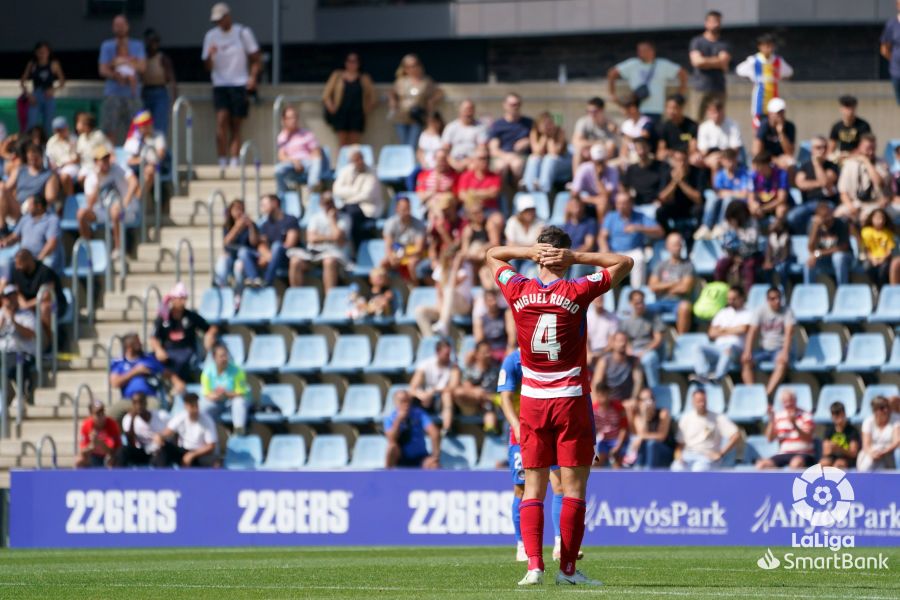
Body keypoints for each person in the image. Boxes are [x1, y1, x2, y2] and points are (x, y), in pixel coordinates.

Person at [486, 226, 633, 586]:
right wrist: (577, 258)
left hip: (533, 403)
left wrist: (529, 251)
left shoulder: (518, 288)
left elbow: (492, 253)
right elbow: (625, 262)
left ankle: (533, 567)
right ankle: (567, 570)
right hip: (570, 400)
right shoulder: (577, 290)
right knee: (573, 489)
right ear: (565, 257)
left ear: (539, 256)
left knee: (533, 487)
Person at [495, 348, 581, 563]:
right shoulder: (513, 361)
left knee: (560, 485)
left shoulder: (548, 354)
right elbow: (505, 397)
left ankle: (560, 544)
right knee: (522, 489)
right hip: (523, 433)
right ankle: (522, 544)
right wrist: (515, 425)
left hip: (548, 428)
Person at [202, 2, 262, 175]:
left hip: (240, 84)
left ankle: (234, 162)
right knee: (221, 121)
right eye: (216, 21)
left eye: (220, 19)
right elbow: (206, 66)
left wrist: (252, 78)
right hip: (220, 84)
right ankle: (221, 161)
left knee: (236, 125)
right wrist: (211, 55)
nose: (218, 23)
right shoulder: (211, 36)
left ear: (228, 16)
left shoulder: (243, 32)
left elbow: (256, 58)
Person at [77, 146, 139, 257]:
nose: (105, 162)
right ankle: (88, 249)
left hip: (124, 209)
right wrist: (97, 183)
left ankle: (118, 248)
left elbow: (134, 182)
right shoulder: (91, 178)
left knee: (115, 210)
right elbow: (90, 205)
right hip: (101, 211)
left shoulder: (120, 168)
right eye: (102, 159)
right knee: (81, 214)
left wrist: (126, 201)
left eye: (106, 158)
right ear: (96, 162)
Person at [151, 282, 217, 383]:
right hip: (168, 351)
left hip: (186, 350)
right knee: (149, 360)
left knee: (181, 362)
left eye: (184, 298)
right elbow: (154, 337)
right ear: (173, 300)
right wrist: (158, 349)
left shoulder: (191, 316)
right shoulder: (163, 317)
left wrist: (210, 334)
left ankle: (177, 383)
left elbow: (210, 327)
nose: (183, 301)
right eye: (180, 298)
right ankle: (174, 382)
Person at [608, 41, 687, 124]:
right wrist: (612, 93)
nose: (640, 53)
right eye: (639, 51)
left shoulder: (662, 64)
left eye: (644, 51)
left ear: (652, 51)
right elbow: (612, 73)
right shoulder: (633, 64)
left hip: (656, 108)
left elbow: (682, 73)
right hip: (636, 108)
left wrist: (680, 93)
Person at [287, 192, 350, 292]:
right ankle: (296, 297)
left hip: (335, 255)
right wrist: (331, 237)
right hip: (314, 254)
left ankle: (329, 299)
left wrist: (332, 220)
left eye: (330, 203)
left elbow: (338, 237)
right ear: (321, 204)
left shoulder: (344, 218)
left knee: (328, 261)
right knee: (295, 261)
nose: (328, 206)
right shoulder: (315, 217)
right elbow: (311, 238)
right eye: (325, 203)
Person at [600, 191, 663, 288]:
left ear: (631, 204)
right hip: (614, 252)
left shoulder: (640, 217)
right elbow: (602, 236)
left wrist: (639, 227)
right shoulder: (611, 216)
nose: (621, 206)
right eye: (618, 203)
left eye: (624, 203)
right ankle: (601, 299)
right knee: (600, 262)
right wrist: (605, 248)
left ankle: (637, 293)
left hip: (634, 251)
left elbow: (660, 232)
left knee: (639, 259)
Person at [98, 15, 145, 144]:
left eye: (122, 25)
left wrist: (126, 63)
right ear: (113, 28)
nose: (119, 28)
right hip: (113, 94)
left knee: (136, 128)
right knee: (109, 128)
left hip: (132, 95)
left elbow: (142, 67)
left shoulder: (137, 45)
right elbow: (103, 69)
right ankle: (109, 158)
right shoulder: (107, 46)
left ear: (127, 26)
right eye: (116, 25)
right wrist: (115, 75)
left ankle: (133, 158)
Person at [6, 249, 67, 346]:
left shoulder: (45, 272)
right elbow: (16, 292)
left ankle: (50, 344)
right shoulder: (16, 271)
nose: (17, 267)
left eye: (20, 264)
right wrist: (23, 304)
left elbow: (47, 296)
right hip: (28, 305)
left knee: (45, 308)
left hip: (55, 304)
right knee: (7, 304)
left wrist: (27, 305)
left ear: (28, 261)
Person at [741, 287, 794, 397]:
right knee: (746, 361)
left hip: (779, 348)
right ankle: (752, 394)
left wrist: (785, 352)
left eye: (779, 298)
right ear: (768, 300)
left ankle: (767, 395)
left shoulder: (787, 311)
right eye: (773, 298)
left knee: (782, 363)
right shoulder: (760, 311)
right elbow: (752, 332)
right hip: (764, 349)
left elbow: (789, 333)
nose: (777, 301)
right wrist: (747, 351)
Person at [692, 285, 751, 384]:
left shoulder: (749, 313)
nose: (730, 301)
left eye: (734, 299)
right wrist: (733, 330)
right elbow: (711, 333)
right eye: (729, 299)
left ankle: (717, 377)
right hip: (718, 348)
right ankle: (703, 375)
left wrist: (721, 330)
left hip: (736, 350)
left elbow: (743, 329)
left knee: (728, 349)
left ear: (742, 298)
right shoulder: (722, 312)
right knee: (697, 347)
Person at [671, 388, 740, 471]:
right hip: (688, 455)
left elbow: (736, 435)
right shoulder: (686, 418)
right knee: (676, 469)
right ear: (692, 402)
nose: (702, 404)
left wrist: (721, 453)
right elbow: (680, 444)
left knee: (698, 471)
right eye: (699, 401)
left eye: (704, 400)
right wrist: (678, 456)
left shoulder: (718, 418)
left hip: (707, 457)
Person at [109, 332, 177, 416]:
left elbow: (167, 373)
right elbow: (115, 383)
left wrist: (177, 382)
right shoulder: (119, 362)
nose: (141, 344)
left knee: (155, 411)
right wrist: (135, 371)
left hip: (148, 398)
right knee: (111, 415)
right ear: (129, 347)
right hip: (128, 399)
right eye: (137, 343)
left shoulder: (149, 359)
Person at [735, 33, 794, 126]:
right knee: (759, 126)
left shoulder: (778, 61)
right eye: (766, 46)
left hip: (774, 98)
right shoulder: (754, 61)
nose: (768, 49)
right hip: (759, 100)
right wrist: (751, 77)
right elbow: (739, 70)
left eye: (770, 46)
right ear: (760, 47)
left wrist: (779, 77)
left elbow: (789, 72)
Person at [415, 246, 473, 338]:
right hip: (445, 308)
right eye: (451, 258)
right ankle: (431, 340)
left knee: (449, 290)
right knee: (420, 311)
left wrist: (456, 266)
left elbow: (453, 284)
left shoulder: (466, 268)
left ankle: (443, 323)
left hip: (462, 306)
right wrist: (440, 306)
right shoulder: (441, 268)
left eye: (454, 258)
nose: (452, 260)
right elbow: (439, 291)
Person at [322, 52, 377, 148]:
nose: (352, 64)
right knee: (342, 143)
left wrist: (366, 109)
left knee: (355, 144)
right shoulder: (337, 75)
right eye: (349, 61)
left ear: (359, 63)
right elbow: (326, 95)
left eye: (354, 61)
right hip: (341, 113)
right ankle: (343, 162)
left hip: (357, 114)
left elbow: (373, 97)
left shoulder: (364, 78)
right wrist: (331, 107)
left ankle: (354, 162)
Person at [835, 133, 890, 225]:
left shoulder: (881, 163)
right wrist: (850, 207)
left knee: (868, 217)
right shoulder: (849, 164)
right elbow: (843, 192)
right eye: (868, 149)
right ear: (860, 147)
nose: (871, 152)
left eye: (873, 149)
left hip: (875, 203)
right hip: (855, 203)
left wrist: (867, 162)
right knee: (837, 216)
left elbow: (879, 183)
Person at [696, 147, 751, 239]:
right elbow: (718, 192)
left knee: (728, 199)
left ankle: (721, 225)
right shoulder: (720, 174)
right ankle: (706, 226)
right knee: (712, 197)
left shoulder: (743, 173)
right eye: (727, 160)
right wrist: (733, 193)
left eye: (732, 160)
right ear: (722, 161)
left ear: (735, 160)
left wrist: (729, 193)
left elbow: (744, 194)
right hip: (723, 202)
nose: (730, 163)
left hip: (738, 205)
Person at [789, 136, 839, 235]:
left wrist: (817, 164)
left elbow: (825, 182)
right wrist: (820, 183)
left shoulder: (832, 166)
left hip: (827, 203)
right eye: (818, 147)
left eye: (824, 147)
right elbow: (800, 184)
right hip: (808, 203)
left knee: (824, 217)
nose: (822, 150)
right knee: (792, 217)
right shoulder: (804, 166)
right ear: (812, 149)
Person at [0, 193, 62, 274]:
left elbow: (52, 243)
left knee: (45, 266)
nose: (27, 207)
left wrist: (38, 259)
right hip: (23, 257)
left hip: (43, 257)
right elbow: (15, 236)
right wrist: (5, 242)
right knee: (5, 261)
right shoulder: (25, 218)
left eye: (30, 205)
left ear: (39, 206)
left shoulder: (52, 220)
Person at [389, 54, 442, 148]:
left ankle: (411, 161)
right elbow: (392, 93)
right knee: (403, 145)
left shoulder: (426, 81)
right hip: (401, 117)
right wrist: (393, 105)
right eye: (408, 66)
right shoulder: (401, 81)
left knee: (412, 145)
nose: (412, 68)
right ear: (405, 68)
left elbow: (439, 92)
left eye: (415, 65)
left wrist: (431, 101)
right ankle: (406, 162)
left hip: (417, 118)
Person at [2, 142, 60, 227]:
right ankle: (2, 227)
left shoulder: (49, 175)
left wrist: (34, 201)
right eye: (30, 156)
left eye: (35, 155)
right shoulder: (20, 170)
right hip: (17, 206)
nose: (32, 158)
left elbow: (50, 198)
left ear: (41, 156)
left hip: (34, 208)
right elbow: (6, 188)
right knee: (1, 188)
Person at [152, 393, 218, 468]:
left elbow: (211, 446)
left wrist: (192, 454)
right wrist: (159, 436)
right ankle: (160, 475)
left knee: (212, 461)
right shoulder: (180, 417)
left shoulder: (207, 421)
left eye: (196, 406)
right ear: (186, 406)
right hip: (184, 451)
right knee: (164, 448)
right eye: (192, 406)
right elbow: (167, 432)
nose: (195, 409)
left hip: (200, 453)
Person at [333, 148, 384, 243]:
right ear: (351, 161)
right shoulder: (345, 171)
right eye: (356, 159)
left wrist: (347, 198)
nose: (360, 162)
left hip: (368, 210)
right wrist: (356, 191)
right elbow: (336, 190)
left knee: (351, 213)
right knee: (336, 214)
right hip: (349, 207)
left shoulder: (372, 172)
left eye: (361, 158)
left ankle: (355, 247)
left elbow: (367, 195)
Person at [646, 232, 694, 334]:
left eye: (679, 244)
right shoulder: (660, 265)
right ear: (668, 247)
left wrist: (662, 287)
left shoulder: (688, 265)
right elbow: (652, 287)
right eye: (674, 244)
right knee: (641, 308)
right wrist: (674, 283)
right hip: (661, 302)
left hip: (678, 302)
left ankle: (682, 340)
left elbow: (685, 288)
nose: (678, 247)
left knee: (684, 307)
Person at [757, 389, 816, 469]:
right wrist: (771, 420)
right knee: (762, 465)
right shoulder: (779, 416)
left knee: (795, 464)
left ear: (795, 400)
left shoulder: (806, 415)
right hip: (784, 453)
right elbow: (769, 439)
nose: (788, 404)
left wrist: (794, 424)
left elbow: (807, 438)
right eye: (785, 401)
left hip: (803, 453)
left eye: (790, 400)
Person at [688, 10, 731, 119]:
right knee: (696, 121)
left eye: (718, 22)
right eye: (713, 21)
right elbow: (696, 62)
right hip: (700, 88)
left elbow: (724, 62)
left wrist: (705, 61)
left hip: (719, 88)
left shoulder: (724, 43)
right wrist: (717, 61)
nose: (716, 24)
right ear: (706, 23)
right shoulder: (697, 42)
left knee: (719, 120)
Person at [201, 341, 250, 435]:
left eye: (225, 355)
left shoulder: (237, 371)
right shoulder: (207, 372)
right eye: (221, 356)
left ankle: (239, 430)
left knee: (239, 402)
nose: (224, 358)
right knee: (203, 407)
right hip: (217, 402)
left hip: (232, 402)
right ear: (214, 358)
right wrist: (214, 396)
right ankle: (204, 433)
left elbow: (241, 393)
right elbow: (206, 393)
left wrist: (225, 394)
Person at [274, 106, 325, 196]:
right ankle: (284, 196)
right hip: (291, 165)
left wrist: (305, 161)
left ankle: (313, 188)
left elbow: (316, 152)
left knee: (316, 161)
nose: (293, 120)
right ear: (284, 120)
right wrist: (294, 162)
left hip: (307, 163)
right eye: (289, 118)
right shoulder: (282, 137)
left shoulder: (307, 134)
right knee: (278, 170)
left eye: (295, 117)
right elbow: (281, 156)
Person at [488, 93, 533, 195]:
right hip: (502, 156)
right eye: (512, 104)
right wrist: (508, 157)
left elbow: (537, 140)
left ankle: (519, 195)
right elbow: (493, 149)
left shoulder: (528, 123)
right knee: (501, 166)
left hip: (522, 157)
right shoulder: (498, 125)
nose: (515, 107)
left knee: (517, 164)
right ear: (505, 105)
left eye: (517, 104)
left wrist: (528, 141)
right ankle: (503, 197)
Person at [619, 289, 664, 389]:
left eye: (641, 302)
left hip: (649, 351)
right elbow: (625, 339)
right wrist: (629, 350)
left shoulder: (653, 317)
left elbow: (658, 339)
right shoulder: (626, 321)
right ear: (630, 303)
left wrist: (644, 351)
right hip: (633, 352)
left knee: (649, 359)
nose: (640, 305)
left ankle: (654, 390)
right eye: (636, 303)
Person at [713, 201, 762, 293]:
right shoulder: (727, 224)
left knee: (749, 267)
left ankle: (748, 295)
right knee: (720, 265)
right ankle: (721, 292)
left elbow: (752, 242)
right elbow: (724, 243)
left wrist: (737, 231)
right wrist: (734, 257)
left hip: (750, 255)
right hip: (732, 256)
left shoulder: (752, 222)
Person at [384, 389, 440, 469]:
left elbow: (434, 433)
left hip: (420, 456)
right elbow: (391, 439)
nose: (406, 404)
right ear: (396, 403)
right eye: (402, 401)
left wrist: (435, 456)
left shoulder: (419, 414)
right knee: (391, 447)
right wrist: (398, 420)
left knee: (434, 466)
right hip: (401, 457)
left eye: (408, 401)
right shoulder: (390, 418)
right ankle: (387, 477)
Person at [0, 284, 37, 402]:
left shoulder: (27, 314)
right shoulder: (0, 314)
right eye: (6, 297)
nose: (9, 300)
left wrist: (14, 321)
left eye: (12, 296)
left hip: (21, 352)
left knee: (14, 363)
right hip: (3, 352)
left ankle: (20, 392)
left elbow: (30, 334)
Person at [255, 194, 301, 287]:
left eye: (264, 205)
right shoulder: (265, 225)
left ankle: (267, 282)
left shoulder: (290, 220)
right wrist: (268, 256)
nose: (262, 208)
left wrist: (270, 256)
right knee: (245, 253)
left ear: (274, 203)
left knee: (277, 246)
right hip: (271, 258)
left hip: (287, 257)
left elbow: (290, 244)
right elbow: (261, 245)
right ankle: (255, 281)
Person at [624, 387, 675, 469]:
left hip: (665, 452)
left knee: (651, 444)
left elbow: (662, 436)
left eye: (650, 398)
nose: (648, 402)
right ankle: (638, 470)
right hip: (647, 453)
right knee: (643, 444)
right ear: (639, 402)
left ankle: (649, 474)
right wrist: (644, 415)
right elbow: (641, 434)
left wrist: (641, 437)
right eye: (644, 400)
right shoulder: (638, 417)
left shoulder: (663, 413)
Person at [123, 110, 166, 205]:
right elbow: (129, 160)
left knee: (149, 171)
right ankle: (129, 202)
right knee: (127, 176)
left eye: (145, 125)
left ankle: (137, 200)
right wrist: (140, 161)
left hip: (154, 166)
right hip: (137, 167)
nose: (143, 128)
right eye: (141, 126)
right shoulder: (135, 138)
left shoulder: (158, 136)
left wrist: (148, 162)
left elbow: (160, 155)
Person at [657, 149, 704, 237]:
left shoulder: (697, 173)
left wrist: (681, 182)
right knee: (660, 211)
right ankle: (669, 235)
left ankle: (697, 235)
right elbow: (662, 198)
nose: (681, 164)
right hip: (675, 207)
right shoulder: (667, 173)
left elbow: (699, 199)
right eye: (678, 160)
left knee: (699, 209)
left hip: (691, 207)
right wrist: (674, 182)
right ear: (673, 161)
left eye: (684, 160)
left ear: (688, 159)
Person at [20, 42, 65, 132]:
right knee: (31, 122)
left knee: (48, 123)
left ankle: (46, 143)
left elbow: (62, 81)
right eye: (40, 52)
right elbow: (22, 81)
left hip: (48, 96)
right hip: (35, 95)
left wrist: (53, 90)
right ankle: (30, 143)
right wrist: (28, 95)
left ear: (49, 52)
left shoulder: (54, 64)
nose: (42, 54)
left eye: (45, 52)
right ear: (36, 53)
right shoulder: (32, 64)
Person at [214, 199, 258, 290]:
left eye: (240, 209)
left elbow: (254, 242)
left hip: (244, 257)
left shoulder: (251, 225)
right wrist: (237, 227)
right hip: (231, 255)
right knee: (222, 260)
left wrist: (250, 227)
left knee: (238, 267)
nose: (238, 212)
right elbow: (226, 242)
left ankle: (239, 292)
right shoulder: (227, 226)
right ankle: (220, 285)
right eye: (235, 210)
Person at [804, 202, 852, 285]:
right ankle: (809, 291)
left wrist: (819, 253)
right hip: (824, 259)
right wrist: (815, 228)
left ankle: (842, 288)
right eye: (824, 216)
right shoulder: (813, 226)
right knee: (808, 262)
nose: (828, 218)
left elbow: (843, 247)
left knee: (838, 257)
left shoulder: (841, 223)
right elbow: (810, 248)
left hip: (844, 257)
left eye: (829, 214)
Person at [382, 196, 426, 282]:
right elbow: (388, 245)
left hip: (412, 253)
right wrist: (391, 257)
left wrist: (404, 254)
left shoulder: (419, 224)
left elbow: (419, 248)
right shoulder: (390, 223)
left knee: (412, 263)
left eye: (407, 208)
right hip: (398, 252)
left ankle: (415, 288)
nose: (405, 211)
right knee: (384, 264)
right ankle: (386, 290)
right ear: (397, 209)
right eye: (403, 209)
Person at [522, 112, 569, 194]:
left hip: (562, 164)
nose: (548, 126)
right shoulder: (534, 132)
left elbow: (554, 152)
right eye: (545, 124)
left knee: (549, 158)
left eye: (550, 123)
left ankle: (544, 187)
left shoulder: (559, 131)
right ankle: (528, 186)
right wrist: (544, 136)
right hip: (545, 165)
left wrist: (550, 137)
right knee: (533, 158)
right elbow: (536, 152)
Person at [141, 29, 177, 137]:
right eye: (151, 42)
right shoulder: (142, 58)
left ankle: (159, 150)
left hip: (160, 92)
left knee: (159, 127)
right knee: (144, 125)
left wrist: (174, 99)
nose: (153, 45)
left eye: (155, 42)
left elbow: (172, 80)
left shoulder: (162, 58)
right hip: (146, 92)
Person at [409, 338, 457, 416]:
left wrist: (434, 391)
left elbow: (453, 388)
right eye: (446, 354)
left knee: (447, 396)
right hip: (426, 399)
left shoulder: (454, 367)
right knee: (405, 396)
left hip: (441, 399)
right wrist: (422, 395)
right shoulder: (425, 364)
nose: (449, 357)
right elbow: (412, 387)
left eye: (449, 354)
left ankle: (446, 428)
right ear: (437, 352)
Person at [592, 332, 642, 405]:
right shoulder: (605, 361)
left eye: (625, 341)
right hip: (609, 402)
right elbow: (596, 383)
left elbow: (638, 381)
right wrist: (597, 404)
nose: (622, 344)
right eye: (619, 341)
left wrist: (633, 399)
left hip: (627, 402)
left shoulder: (633, 361)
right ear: (613, 343)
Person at [118, 392, 167, 467]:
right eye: (135, 403)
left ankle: (162, 478)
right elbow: (130, 442)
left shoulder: (161, 416)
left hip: (158, 451)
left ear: (146, 403)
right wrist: (133, 420)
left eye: (141, 402)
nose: (138, 406)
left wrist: (162, 436)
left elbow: (174, 431)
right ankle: (119, 477)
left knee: (164, 451)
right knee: (123, 450)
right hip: (142, 451)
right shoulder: (128, 419)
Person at [571, 143, 619, 219]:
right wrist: (593, 200)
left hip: (609, 204)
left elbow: (606, 195)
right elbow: (574, 193)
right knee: (571, 205)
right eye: (597, 162)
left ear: (606, 160)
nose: (599, 165)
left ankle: (602, 230)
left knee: (603, 204)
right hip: (589, 201)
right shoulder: (583, 168)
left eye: (601, 161)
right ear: (592, 160)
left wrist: (598, 178)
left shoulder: (612, 171)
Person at [570, 97, 618, 172]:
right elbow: (576, 142)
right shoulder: (583, 122)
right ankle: (577, 181)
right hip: (588, 152)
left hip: (603, 154)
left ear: (602, 110)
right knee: (578, 151)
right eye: (588, 111)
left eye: (594, 111)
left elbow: (611, 146)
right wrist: (594, 144)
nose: (591, 114)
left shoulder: (610, 124)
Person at [696, 99, 743, 172]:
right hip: (709, 156)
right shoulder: (703, 127)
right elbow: (703, 150)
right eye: (712, 112)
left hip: (729, 156)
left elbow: (735, 149)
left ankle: (717, 183)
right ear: (707, 113)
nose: (716, 115)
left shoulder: (733, 125)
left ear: (723, 111)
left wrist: (719, 156)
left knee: (715, 163)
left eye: (718, 111)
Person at [856, 396, 900, 472]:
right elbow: (866, 445)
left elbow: (897, 441)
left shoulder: (896, 419)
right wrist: (872, 453)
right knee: (867, 465)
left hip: (889, 453)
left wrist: (884, 451)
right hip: (871, 453)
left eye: (887, 407)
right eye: (882, 408)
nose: (886, 410)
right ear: (875, 410)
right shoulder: (868, 422)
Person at [442, 100, 487, 171]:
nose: (468, 112)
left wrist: (467, 161)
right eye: (466, 109)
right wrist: (452, 162)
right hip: (453, 160)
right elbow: (445, 149)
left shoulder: (480, 127)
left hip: (472, 161)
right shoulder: (451, 127)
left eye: (470, 109)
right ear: (460, 110)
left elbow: (482, 148)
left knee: (474, 166)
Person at [753, 98, 796, 172]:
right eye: (777, 113)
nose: (780, 115)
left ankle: (787, 183)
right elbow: (756, 151)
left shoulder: (790, 126)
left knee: (790, 164)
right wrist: (775, 160)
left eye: (782, 112)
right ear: (770, 114)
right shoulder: (764, 126)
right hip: (765, 158)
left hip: (783, 158)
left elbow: (790, 152)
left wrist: (781, 133)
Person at [591, 383, 628, 469]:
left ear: (609, 394)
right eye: (601, 395)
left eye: (606, 394)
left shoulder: (619, 408)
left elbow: (624, 428)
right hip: (601, 442)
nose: (603, 398)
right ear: (597, 395)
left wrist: (618, 446)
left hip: (617, 441)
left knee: (616, 462)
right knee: (596, 462)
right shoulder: (593, 410)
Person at [624, 138, 669, 207]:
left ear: (649, 147)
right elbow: (625, 188)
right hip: (637, 206)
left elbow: (664, 190)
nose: (641, 152)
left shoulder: (662, 167)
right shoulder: (631, 169)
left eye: (644, 148)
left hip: (657, 205)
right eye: (638, 149)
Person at [860, 208, 900, 285]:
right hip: (872, 258)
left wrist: (882, 259)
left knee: (884, 269)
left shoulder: (888, 232)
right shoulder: (866, 231)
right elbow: (867, 248)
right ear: (871, 219)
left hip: (884, 258)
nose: (879, 221)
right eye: (877, 218)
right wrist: (872, 258)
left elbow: (890, 249)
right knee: (867, 267)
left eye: (881, 218)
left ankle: (882, 288)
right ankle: (875, 285)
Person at [76, 400, 121, 468]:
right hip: (93, 455)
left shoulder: (112, 424)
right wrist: (92, 445)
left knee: (111, 460)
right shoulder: (86, 425)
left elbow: (111, 450)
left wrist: (99, 442)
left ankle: (112, 478)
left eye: (102, 412)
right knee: (80, 460)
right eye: (97, 414)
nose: (101, 416)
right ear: (91, 415)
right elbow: (83, 450)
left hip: (109, 455)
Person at [457, 146, 502, 213]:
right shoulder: (466, 175)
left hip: (488, 209)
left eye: (487, 158)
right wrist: (484, 193)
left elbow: (493, 194)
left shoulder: (495, 176)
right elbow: (462, 195)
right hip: (470, 208)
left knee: (497, 220)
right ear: (474, 160)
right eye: (481, 158)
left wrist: (472, 193)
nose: (485, 161)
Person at [655, 94, 698, 161]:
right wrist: (672, 153)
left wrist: (683, 154)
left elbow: (693, 148)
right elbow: (661, 149)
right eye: (668, 108)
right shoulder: (663, 127)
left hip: (687, 157)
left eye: (674, 108)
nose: (671, 111)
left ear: (682, 108)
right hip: (670, 157)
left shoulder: (692, 126)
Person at [504, 195, 546, 264]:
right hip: (516, 256)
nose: (530, 213)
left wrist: (518, 247)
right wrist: (530, 248)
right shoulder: (512, 221)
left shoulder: (540, 223)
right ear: (521, 212)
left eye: (532, 209)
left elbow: (537, 245)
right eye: (526, 210)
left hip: (531, 257)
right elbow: (510, 244)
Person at [749, 151, 789, 221]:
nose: (757, 169)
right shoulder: (754, 176)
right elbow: (751, 197)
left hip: (775, 206)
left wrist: (764, 208)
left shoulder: (781, 175)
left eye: (759, 166)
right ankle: (755, 230)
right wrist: (754, 205)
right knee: (752, 208)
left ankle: (778, 230)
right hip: (762, 206)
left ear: (767, 165)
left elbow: (781, 199)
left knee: (781, 209)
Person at [828, 95, 871, 161]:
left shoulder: (863, 125)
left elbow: (866, 146)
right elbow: (831, 147)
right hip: (841, 157)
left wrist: (850, 155)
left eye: (851, 107)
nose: (849, 111)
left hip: (858, 157)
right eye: (846, 107)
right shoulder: (836, 126)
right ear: (841, 109)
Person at [819, 401, 860, 470]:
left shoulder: (852, 431)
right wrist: (831, 448)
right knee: (822, 464)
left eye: (837, 413)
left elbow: (853, 453)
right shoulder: (829, 430)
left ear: (843, 413)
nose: (835, 416)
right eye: (833, 414)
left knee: (838, 465)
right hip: (831, 457)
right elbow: (825, 452)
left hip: (847, 459)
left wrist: (840, 449)